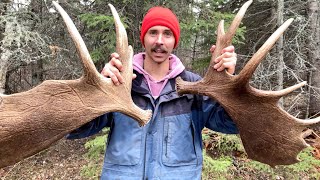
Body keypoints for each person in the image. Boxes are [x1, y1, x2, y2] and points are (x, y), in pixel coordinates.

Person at [67, 6, 238, 180]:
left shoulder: (195, 87)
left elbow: (230, 124)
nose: (159, 41)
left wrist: (229, 88)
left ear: (174, 41)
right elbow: (77, 128)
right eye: (153, 32)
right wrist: (97, 91)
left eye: (167, 34)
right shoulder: (121, 83)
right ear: (144, 39)